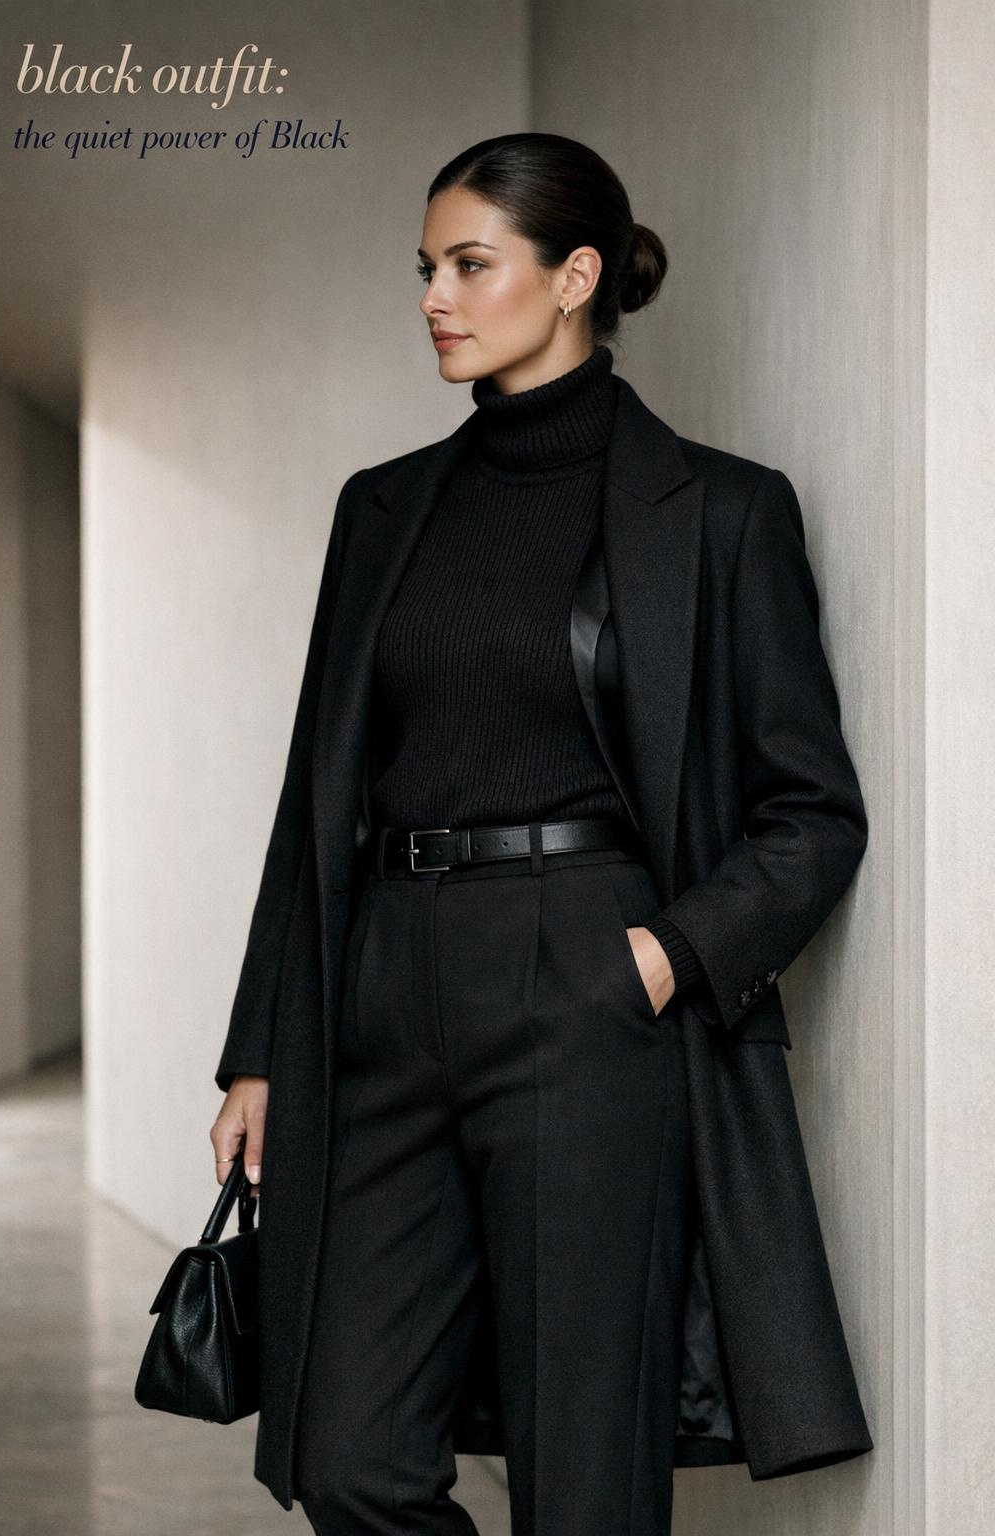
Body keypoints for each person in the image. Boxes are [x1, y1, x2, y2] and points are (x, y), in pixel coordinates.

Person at [210, 132, 872, 1534]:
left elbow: (812, 813)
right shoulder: (382, 511)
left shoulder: (722, 513)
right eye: (428, 269)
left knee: (584, 1477)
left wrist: (662, 959)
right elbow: (314, 795)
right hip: (383, 991)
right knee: (348, 1459)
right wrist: (263, 1045)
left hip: (586, 983)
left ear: (574, 277)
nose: (436, 297)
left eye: (470, 264)